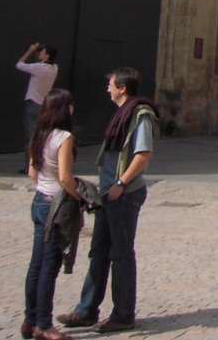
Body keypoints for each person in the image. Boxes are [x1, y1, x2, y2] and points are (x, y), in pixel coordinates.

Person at [58, 67, 157, 333]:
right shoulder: (122, 114)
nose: (107, 89)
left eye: (111, 85)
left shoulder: (140, 115)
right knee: (98, 252)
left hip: (124, 194)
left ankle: (123, 315)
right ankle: (86, 310)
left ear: (122, 88)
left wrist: (121, 184)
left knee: (121, 254)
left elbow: (143, 154)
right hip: (108, 194)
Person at [24, 89, 82, 340]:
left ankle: (30, 319)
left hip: (39, 201)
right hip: (55, 206)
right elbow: (66, 177)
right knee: (49, 266)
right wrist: (79, 197)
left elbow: (32, 173)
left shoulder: (39, 134)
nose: (73, 108)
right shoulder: (64, 137)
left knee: (36, 265)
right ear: (63, 109)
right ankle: (44, 325)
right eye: (70, 104)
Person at [17, 43, 59, 144]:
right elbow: (39, 65)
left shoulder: (39, 67)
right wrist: (39, 55)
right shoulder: (54, 68)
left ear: (47, 55)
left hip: (33, 104)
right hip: (44, 105)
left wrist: (30, 51)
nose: (40, 52)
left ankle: (31, 159)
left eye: (43, 52)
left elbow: (19, 65)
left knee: (31, 136)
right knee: (41, 134)